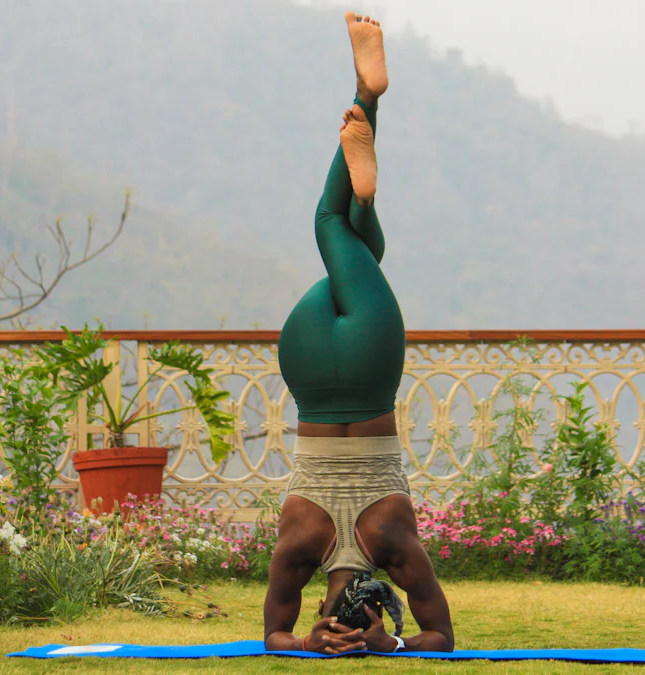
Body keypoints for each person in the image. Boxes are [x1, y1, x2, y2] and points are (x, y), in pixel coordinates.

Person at [263, 11, 454, 655]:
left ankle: (368, 101)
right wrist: (308, 642)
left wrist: (389, 645)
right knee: (340, 235)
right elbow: (272, 636)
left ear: (385, 593)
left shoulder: (396, 544)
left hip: (371, 367)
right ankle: (363, 190)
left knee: (340, 232)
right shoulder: (299, 544)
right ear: (329, 605)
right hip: (310, 366)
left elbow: (441, 636)